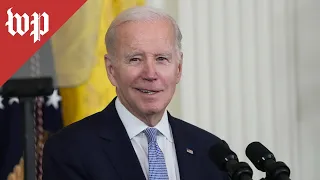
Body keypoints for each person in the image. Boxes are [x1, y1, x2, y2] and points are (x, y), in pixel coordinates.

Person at [43, 6, 229, 180]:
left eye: (161, 59)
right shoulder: (69, 149)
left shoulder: (211, 151)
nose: (150, 74)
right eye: (135, 59)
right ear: (111, 70)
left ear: (178, 68)